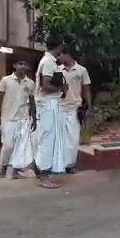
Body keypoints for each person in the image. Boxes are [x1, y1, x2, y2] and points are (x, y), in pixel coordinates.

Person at [0, 59, 36, 179]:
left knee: (21, 146)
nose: (23, 67)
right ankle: (4, 166)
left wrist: (34, 118)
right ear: (15, 66)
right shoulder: (5, 81)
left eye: (25, 64)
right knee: (8, 145)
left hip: (23, 118)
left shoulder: (30, 83)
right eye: (20, 64)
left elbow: (32, 101)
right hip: (8, 118)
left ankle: (15, 170)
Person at [34, 34, 67, 189]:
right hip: (48, 104)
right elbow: (45, 86)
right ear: (58, 46)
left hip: (51, 103)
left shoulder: (51, 61)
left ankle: (44, 171)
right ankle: (44, 175)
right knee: (48, 139)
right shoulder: (48, 62)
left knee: (51, 138)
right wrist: (61, 87)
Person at [58, 45, 92, 175]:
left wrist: (89, 107)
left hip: (74, 108)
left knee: (73, 138)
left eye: (61, 54)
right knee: (60, 138)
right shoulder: (58, 70)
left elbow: (86, 89)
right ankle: (59, 164)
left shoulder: (81, 70)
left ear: (68, 54)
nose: (59, 57)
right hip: (59, 107)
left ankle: (70, 165)